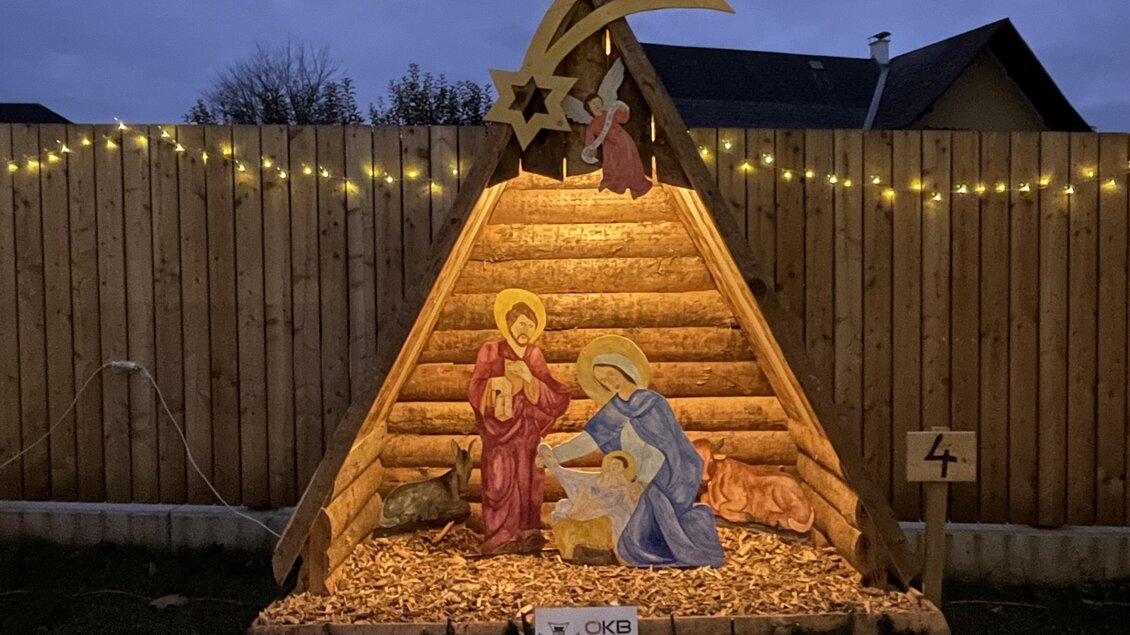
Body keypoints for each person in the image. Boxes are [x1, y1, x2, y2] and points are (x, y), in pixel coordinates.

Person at [540, 337, 724, 567]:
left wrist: (642, 482)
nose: (608, 381)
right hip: (633, 475)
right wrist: (554, 456)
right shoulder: (614, 409)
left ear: (623, 369)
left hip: (665, 477)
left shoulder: (653, 403)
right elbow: (588, 441)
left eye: (610, 374)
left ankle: (641, 549)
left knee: (640, 514)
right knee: (596, 499)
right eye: (602, 380)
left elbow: (661, 450)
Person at [468, 289, 571, 555]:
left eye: (530, 324)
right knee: (500, 481)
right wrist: (496, 384)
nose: (525, 328)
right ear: (509, 324)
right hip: (498, 434)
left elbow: (553, 397)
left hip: (527, 432)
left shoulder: (534, 356)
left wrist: (528, 380)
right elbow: (475, 389)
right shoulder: (490, 351)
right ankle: (501, 536)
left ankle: (527, 534)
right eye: (520, 322)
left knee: (529, 482)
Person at [583, 94, 653, 199]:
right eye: (593, 104)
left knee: (631, 162)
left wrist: (622, 109)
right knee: (612, 165)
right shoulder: (592, 126)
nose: (597, 105)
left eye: (598, 102)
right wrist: (591, 152)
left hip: (624, 141)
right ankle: (615, 184)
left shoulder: (610, 114)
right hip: (610, 147)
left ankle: (638, 185)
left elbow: (623, 119)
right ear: (589, 107)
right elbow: (590, 142)